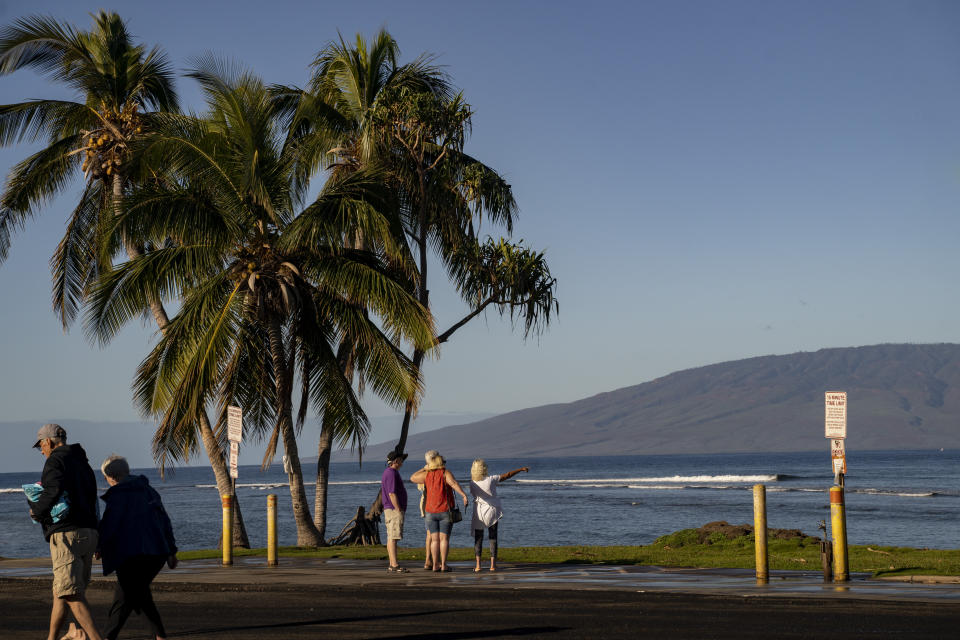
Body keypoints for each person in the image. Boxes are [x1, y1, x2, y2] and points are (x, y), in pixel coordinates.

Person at [28, 423, 104, 640]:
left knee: (70, 593)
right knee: (62, 591)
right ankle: (55, 637)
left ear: (48, 442)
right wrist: (98, 536)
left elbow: (53, 490)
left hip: (66, 533)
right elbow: (93, 500)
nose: (41, 451)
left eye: (40, 446)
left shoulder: (55, 460)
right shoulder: (83, 463)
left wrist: (37, 512)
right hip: (88, 532)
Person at [97, 455, 178, 640]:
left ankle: (108, 636)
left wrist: (98, 545)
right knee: (139, 594)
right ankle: (159, 635)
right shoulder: (148, 490)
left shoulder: (118, 495)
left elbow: (110, 525)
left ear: (111, 476)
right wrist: (171, 550)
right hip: (156, 552)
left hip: (131, 554)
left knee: (125, 597)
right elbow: (164, 520)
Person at [409, 452, 468, 572]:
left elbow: (412, 477)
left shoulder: (426, 475)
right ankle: (444, 565)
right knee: (444, 540)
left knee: (434, 540)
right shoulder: (445, 473)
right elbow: (454, 484)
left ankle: (435, 564)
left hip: (430, 511)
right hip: (445, 510)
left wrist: (424, 468)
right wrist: (463, 495)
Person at [469, 459, 529, 572]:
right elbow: (507, 475)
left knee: (478, 538)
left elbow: (475, 495)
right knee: (493, 537)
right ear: (484, 468)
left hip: (479, 511)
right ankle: (492, 565)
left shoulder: (472, 482)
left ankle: (478, 565)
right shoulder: (491, 479)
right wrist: (520, 469)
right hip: (492, 510)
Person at [381, 449, 409, 573]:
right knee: (393, 537)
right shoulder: (391, 473)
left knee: (391, 537)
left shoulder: (389, 472)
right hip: (393, 509)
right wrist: (398, 508)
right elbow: (392, 493)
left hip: (390, 509)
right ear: (396, 461)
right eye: (401, 460)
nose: (402, 463)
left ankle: (392, 563)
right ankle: (394, 565)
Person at [416, 449, 439, 570]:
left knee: (430, 534)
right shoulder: (430, 472)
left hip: (426, 506)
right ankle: (430, 560)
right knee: (433, 534)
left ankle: (429, 560)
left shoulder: (424, 471)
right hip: (431, 505)